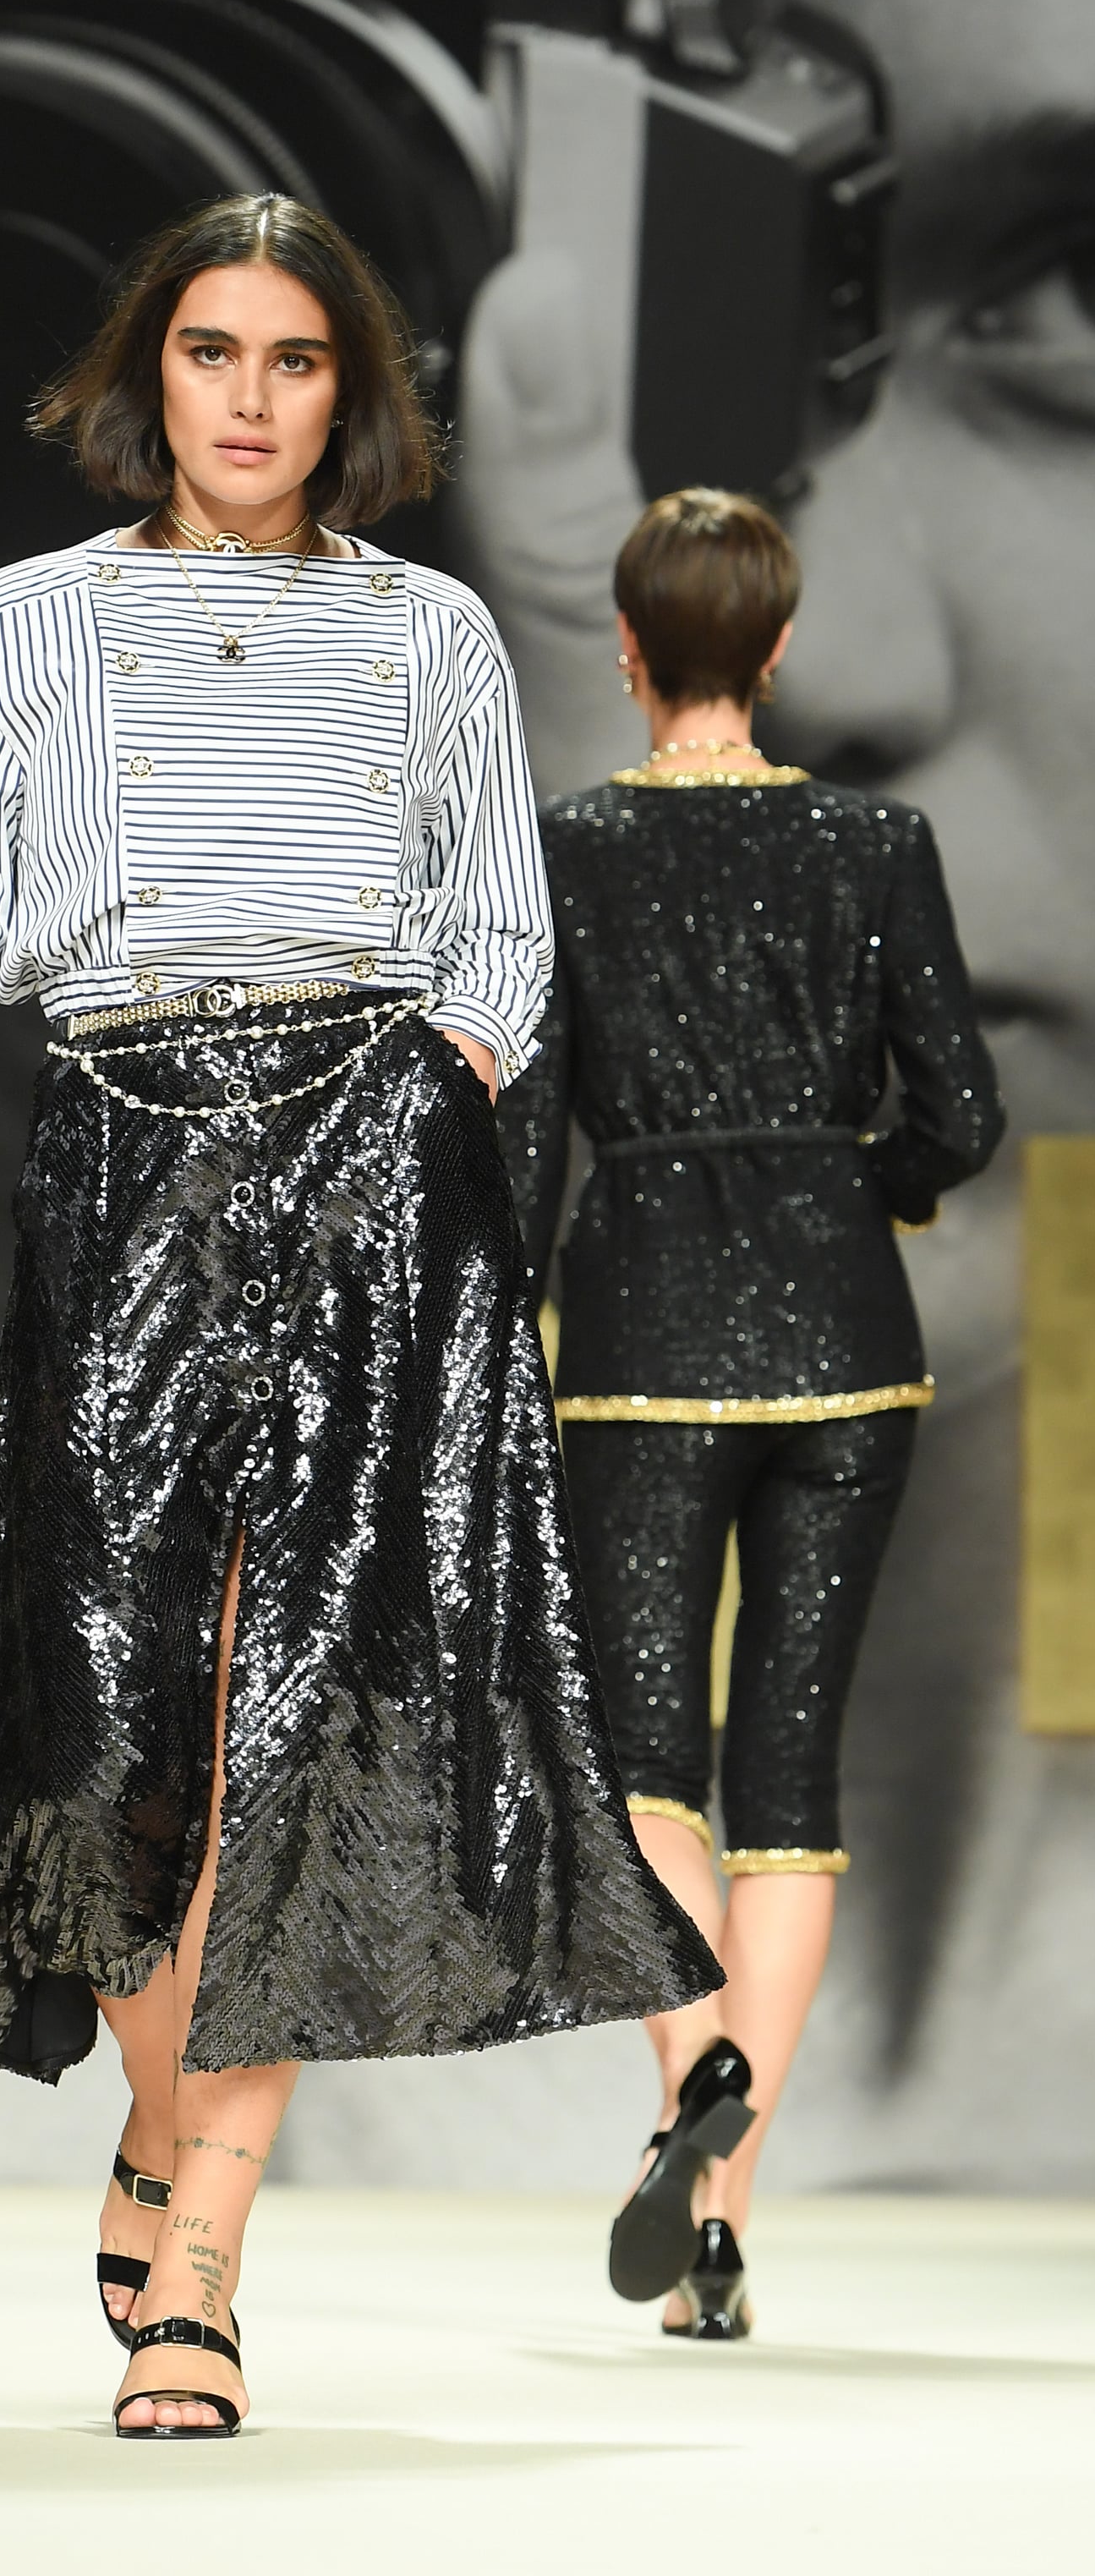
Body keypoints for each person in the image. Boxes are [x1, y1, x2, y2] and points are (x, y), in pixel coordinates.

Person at [0, 192, 719, 2436]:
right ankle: (153, 2125)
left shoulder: (428, 640)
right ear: (153, 372)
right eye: (210, 350)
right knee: (113, 1728)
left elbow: (501, 930)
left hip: (372, 1182)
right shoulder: (21, 630)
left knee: (300, 1725)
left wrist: (447, 1078)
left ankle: (207, 2253)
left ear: (352, 392)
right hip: (118, 1161)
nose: (246, 395)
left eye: (292, 358)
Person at [501, 488, 1003, 2337]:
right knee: (787, 1769)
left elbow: (520, 1127)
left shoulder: (569, 853)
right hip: (846, 1347)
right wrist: (843, 1172)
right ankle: (718, 2217)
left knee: (643, 1768)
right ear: (776, 651)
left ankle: (690, 2079)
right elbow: (955, 1114)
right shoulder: (876, 844)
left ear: (630, 652)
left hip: (640, 1342)